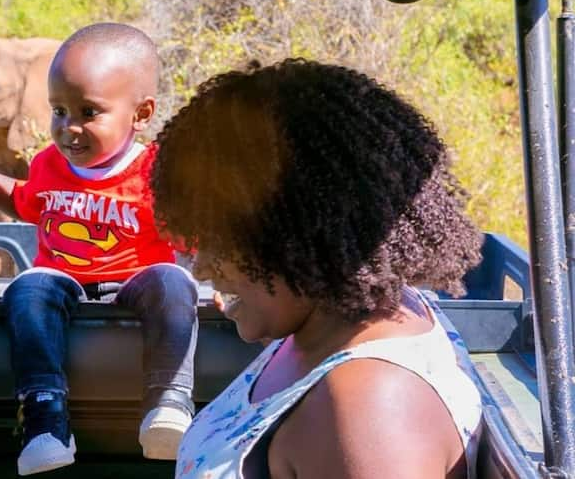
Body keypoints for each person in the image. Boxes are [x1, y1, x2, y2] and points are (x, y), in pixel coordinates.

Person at [150, 59, 486, 478]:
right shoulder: (332, 326)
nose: (200, 269)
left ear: (301, 232)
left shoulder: (366, 407)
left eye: (221, 241)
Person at [0, 22, 200, 475]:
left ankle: (168, 402)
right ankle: (45, 418)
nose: (68, 128)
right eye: (58, 110)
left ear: (141, 113)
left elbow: (191, 234)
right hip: (64, 281)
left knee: (173, 281)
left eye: (88, 112)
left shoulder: (157, 171)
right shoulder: (48, 164)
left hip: (138, 278)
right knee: (28, 287)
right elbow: (23, 202)